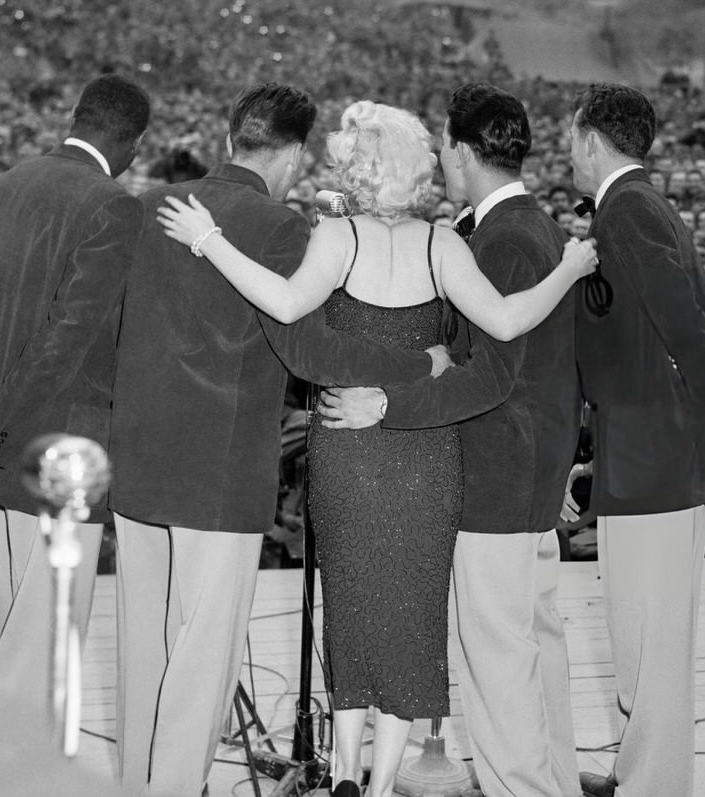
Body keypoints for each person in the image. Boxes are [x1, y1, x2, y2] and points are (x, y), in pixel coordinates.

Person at [158, 98, 596, 797]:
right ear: (419, 165)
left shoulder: (336, 238)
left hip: (348, 452)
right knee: (414, 618)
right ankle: (386, 779)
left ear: (354, 167)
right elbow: (510, 321)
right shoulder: (444, 244)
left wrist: (211, 239)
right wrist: (569, 269)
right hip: (425, 455)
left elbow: (282, 304)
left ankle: (342, 772)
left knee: (352, 606)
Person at [108, 86, 449, 797]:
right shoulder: (279, 228)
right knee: (201, 660)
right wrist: (418, 364)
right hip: (220, 472)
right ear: (294, 153)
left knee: (142, 650)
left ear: (231, 136)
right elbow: (315, 353)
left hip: (139, 461)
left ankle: (136, 784)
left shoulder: (149, 206)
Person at [314, 83, 582, 797]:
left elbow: (492, 376)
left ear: (463, 150)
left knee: (497, 664)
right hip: (523, 471)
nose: (437, 158)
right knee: (533, 652)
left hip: (495, 474)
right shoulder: (521, 230)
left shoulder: (505, 238)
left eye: (441, 146)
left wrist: (387, 405)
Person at [0, 73, 151, 711]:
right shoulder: (113, 204)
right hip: (46, 452)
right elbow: (65, 341)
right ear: (134, 143)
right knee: (48, 647)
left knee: (5, 637)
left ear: (75, 116)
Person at [562, 84, 705, 797]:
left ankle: (655, 785)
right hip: (647, 447)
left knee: (652, 638)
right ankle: (643, 772)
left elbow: (684, 319)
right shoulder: (632, 204)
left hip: (659, 448)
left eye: (571, 137)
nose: (567, 150)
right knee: (639, 632)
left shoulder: (628, 208)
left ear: (594, 139)